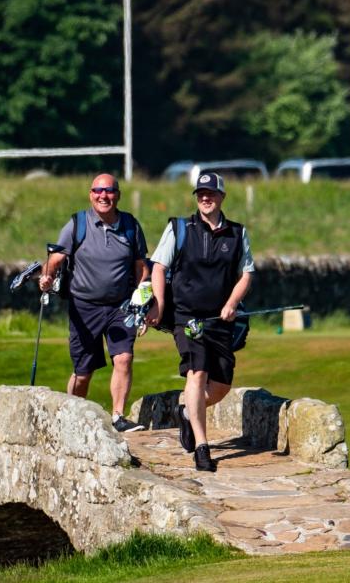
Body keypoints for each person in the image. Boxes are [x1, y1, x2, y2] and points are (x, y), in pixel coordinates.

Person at [146, 172, 254, 471]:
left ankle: (186, 412)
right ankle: (202, 447)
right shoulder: (179, 228)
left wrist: (232, 304)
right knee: (197, 371)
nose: (205, 198)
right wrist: (159, 303)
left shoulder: (237, 233)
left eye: (211, 193)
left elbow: (246, 273)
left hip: (220, 319)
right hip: (186, 317)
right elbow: (158, 267)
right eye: (200, 193)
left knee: (220, 387)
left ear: (221, 197)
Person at [39, 173, 149, 433]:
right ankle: (72, 415)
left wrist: (142, 299)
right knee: (83, 370)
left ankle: (119, 416)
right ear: (91, 195)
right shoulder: (78, 224)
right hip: (84, 306)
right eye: (98, 191)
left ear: (118, 195)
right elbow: (54, 261)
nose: (104, 196)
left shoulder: (131, 226)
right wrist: (46, 278)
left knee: (124, 358)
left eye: (109, 191)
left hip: (120, 307)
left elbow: (141, 267)